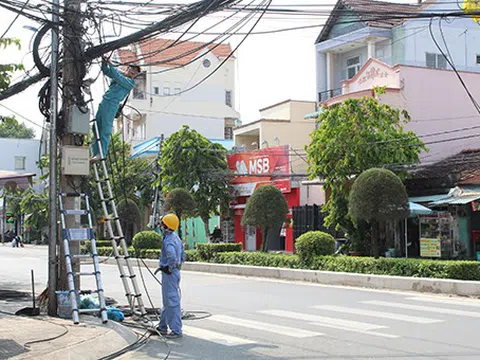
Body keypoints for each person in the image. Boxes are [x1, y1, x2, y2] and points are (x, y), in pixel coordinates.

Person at [91, 59, 141, 162]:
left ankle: (101, 153)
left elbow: (117, 77)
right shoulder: (119, 74)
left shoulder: (130, 82)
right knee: (96, 127)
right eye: (132, 69)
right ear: (128, 68)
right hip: (104, 101)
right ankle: (95, 152)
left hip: (112, 105)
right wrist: (104, 62)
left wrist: (111, 65)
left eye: (135, 72)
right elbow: (106, 71)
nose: (133, 72)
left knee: (105, 129)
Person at [154, 213, 185, 339]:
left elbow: (171, 256)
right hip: (175, 273)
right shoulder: (176, 238)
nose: (160, 226)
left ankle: (176, 330)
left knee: (172, 301)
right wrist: (177, 267)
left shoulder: (168, 241)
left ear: (166, 226)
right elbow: (183, 255)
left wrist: (169, 268)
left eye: (162, 224)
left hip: (170, 274)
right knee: (168, 300)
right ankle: (162, 326)